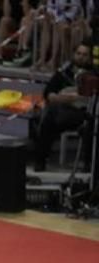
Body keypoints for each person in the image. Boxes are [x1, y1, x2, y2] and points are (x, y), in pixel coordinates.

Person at [30, 42, 94, 172]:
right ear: (74, 55)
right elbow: (49, 94)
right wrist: (70, 98)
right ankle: (40, 161)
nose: (81, 57)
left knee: (92, 123)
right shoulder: (63, 73)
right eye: (78, 54)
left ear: (90, 58)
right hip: (63, 112)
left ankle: (88, 165)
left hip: (84, 113)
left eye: (85, 55)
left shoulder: (94, 74)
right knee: (48, 117)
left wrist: (68, 97)